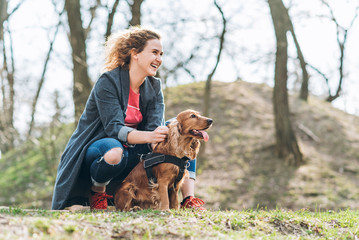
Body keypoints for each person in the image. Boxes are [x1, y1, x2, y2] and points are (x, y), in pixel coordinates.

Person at [51, 26, 205, 211]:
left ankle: (188, 199)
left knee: (181, 130)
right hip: (101, 147)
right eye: (154, 52)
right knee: (114, 151)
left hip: (136, 151)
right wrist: (150, 137)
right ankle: (98, 192)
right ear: (135, 54)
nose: (159, 59)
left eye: (161, 54)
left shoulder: (154, 86)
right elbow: (114, 129)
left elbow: (155, 126)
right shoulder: (108, 81)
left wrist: (164, 141)